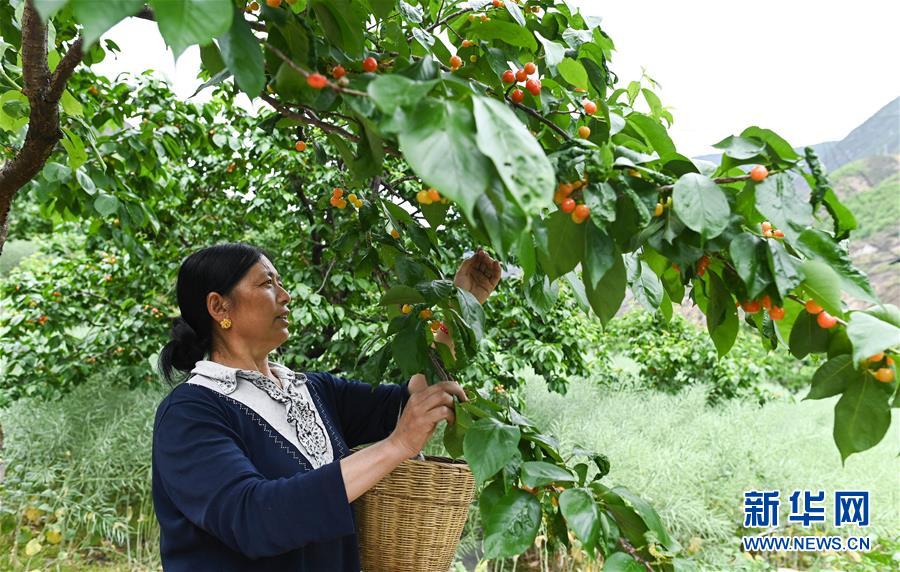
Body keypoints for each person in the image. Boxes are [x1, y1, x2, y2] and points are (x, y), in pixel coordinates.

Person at [151, 243, 501, 571]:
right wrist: (396, 445)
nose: (286, 296)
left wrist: (462, 305)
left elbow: (415, 399)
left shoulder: (312, 389)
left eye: (281, 283)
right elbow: (252, 519)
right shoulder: (191, 412)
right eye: (267, 284)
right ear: (219, 307)